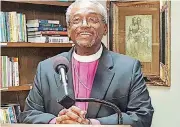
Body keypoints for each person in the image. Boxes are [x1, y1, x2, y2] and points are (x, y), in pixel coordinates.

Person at [18, 0, 154, 127]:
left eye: (92, 19)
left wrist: (92, 123)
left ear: (105, 28)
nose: (84, 25)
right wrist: (57, 122)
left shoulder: (128, 68)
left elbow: (142, 116)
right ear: (69, 30)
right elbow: (29, 114)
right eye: (76, 20)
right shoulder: (46, 68)